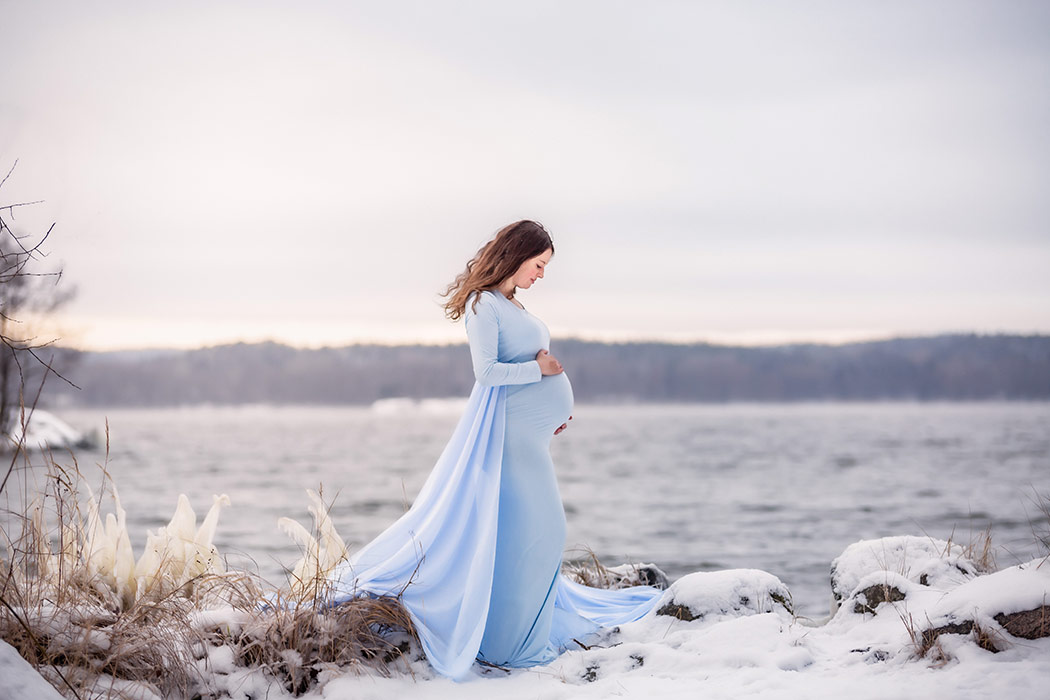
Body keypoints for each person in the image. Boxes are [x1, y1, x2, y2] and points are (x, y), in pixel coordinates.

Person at [328, 220, 663, 680]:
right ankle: (509, 643)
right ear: (517, 254)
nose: (542, 274)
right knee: (541, 531)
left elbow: (522, 370)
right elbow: (487, 373)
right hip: (507, 440)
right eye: (539, 264)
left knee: (528, 534)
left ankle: (516, 631)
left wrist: (550, 414)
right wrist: (541, 373)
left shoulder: (511, 303)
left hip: (528, 438)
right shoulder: (483, 304)